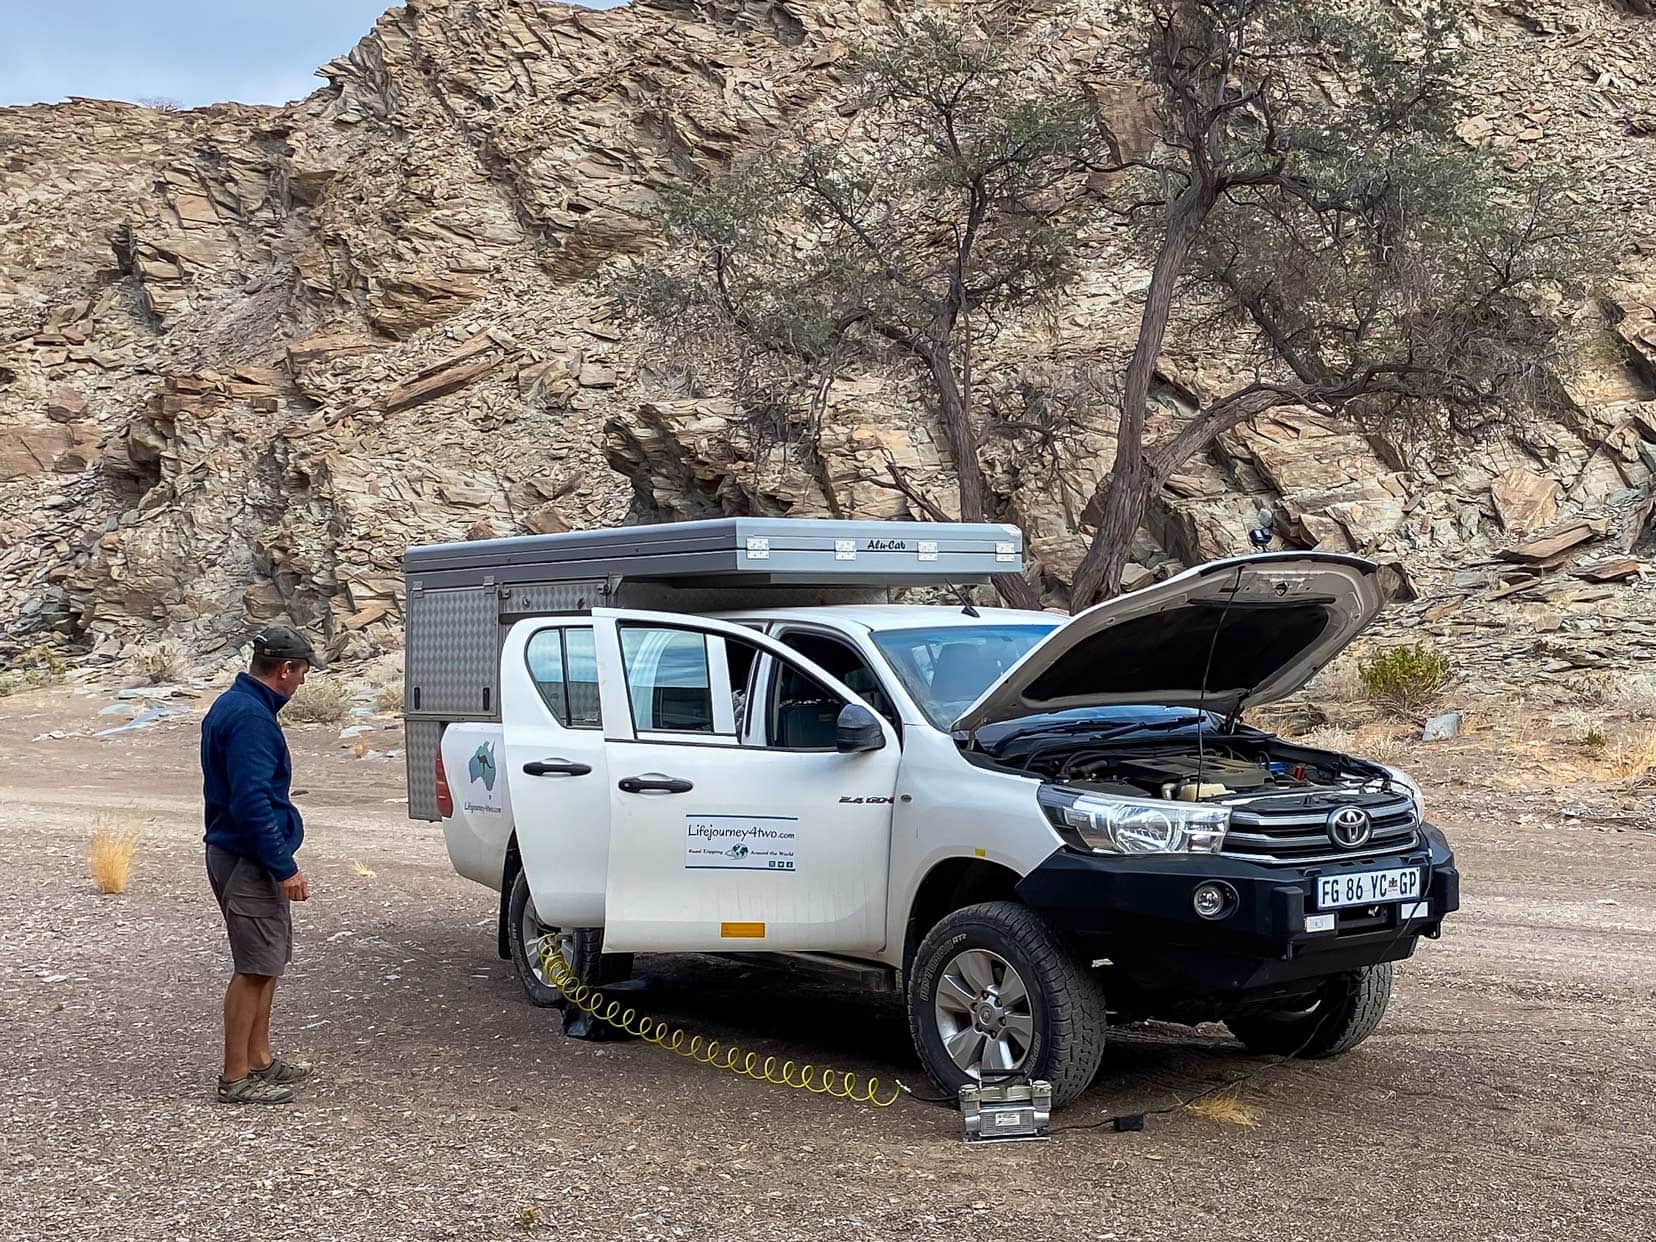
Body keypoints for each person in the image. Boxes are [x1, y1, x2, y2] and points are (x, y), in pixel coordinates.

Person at [200, 625, 321, 1104]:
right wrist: (282, 865)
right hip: (248, 858)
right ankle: (235, 1077)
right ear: (284, 669)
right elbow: (252, 802)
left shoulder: (237, 705)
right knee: (253, 968)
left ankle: (260, 1060)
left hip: (241, 855)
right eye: (302, 673)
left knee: (267, 963)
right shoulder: (251, 718)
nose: (303, 683)